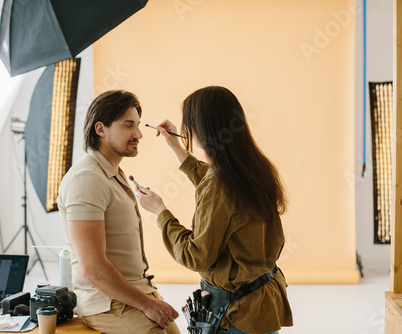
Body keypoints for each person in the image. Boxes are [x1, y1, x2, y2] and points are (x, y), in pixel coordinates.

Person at [137, 86, 293, 334]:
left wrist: (161, 213)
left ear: (202, 129)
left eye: (190, 124)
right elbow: (216, 185)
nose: (187, 130)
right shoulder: (254, 168)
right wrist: (178, 148)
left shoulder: (220, 183)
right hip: (262, 305)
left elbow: (197, 255)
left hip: (236, 316)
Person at [57, 90, 180, 334]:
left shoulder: (114, 174)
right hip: (108, 303)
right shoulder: (87, 179)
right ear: (101, 129)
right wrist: (148, 305)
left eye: (137, 124)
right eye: (128, 125)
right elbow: (93, 268)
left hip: (135, 293)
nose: (139, 134)